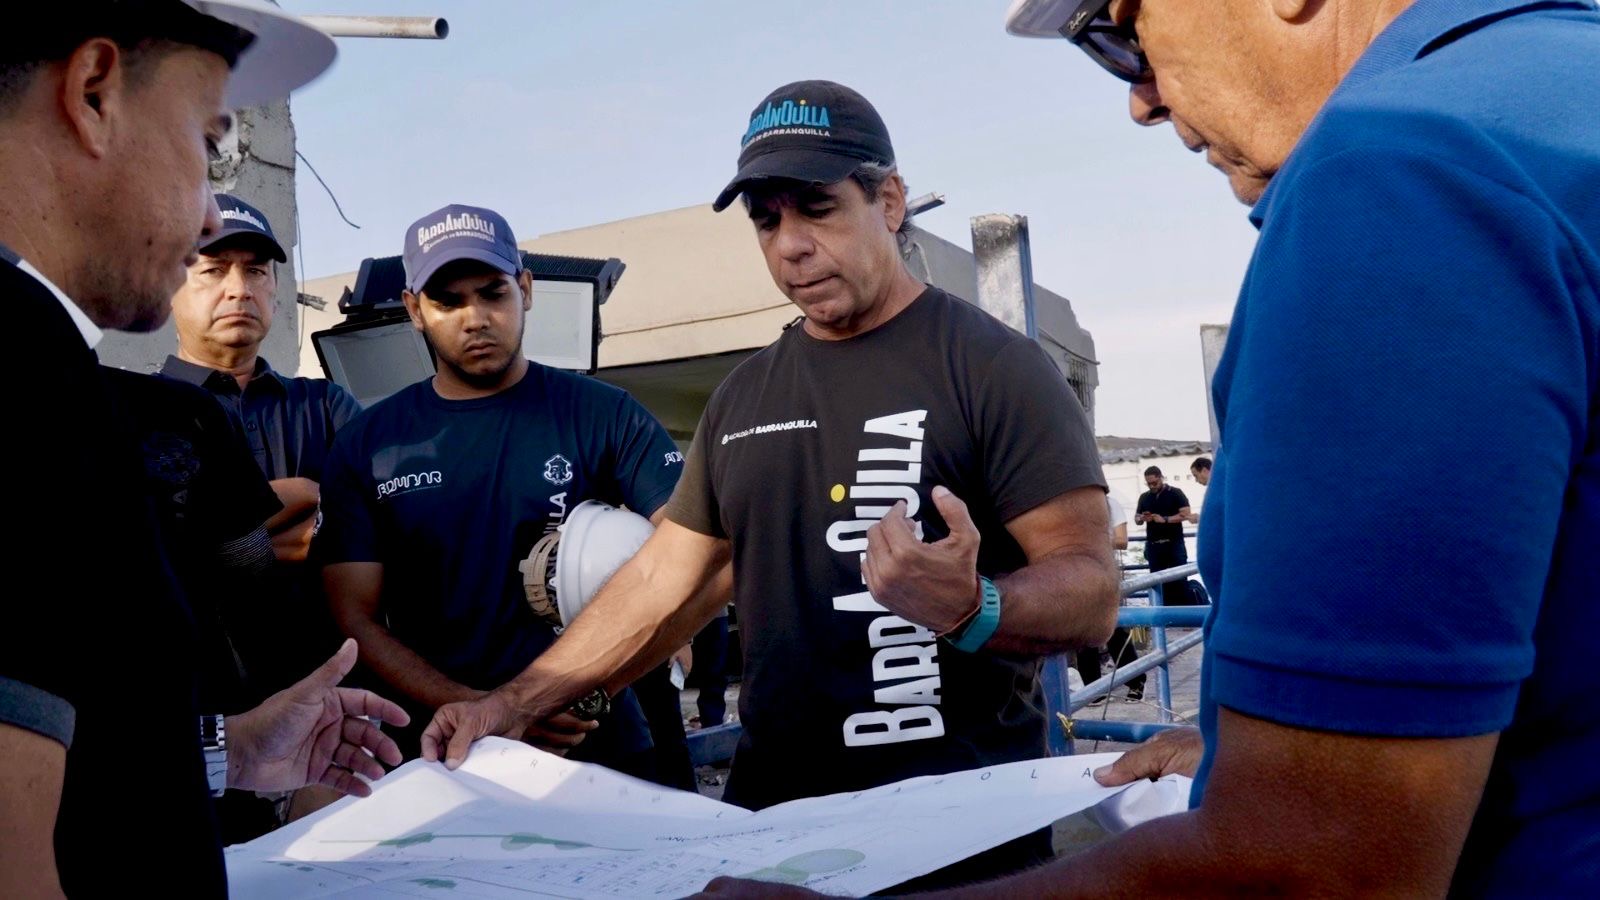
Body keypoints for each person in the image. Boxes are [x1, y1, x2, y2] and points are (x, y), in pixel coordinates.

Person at [693, 1, 1600, 895]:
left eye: (1123, 35)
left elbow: (1318, 866)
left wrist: (1286, 792)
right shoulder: (1552, 83)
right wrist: (1259, 750)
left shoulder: (1397, 175)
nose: (1142, 98)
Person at [424, 81, 1118, 888]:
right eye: (766, 220)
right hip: (775, 838)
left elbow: (1093, 592)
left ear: (890, 201)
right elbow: (661, 580)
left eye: (817, 209)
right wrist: (512, 703)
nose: (790, 245)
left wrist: (974, 606)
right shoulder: (743, 399)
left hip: (959, 845)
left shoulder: (995, 367)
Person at [0, 4, 407, 896]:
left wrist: (235, 749)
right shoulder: (19, 366)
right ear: (94, 94)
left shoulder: (49, 367)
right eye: (209, 142)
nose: (209, 209)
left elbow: (73, 745)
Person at [318, 203, 696, 786]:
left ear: (526, 289)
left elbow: (689, 552)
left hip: (594, 738)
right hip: (444, 752)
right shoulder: (369, 443)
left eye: (493, 293)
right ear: (415, 310)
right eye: (449, 301)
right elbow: (355, 617)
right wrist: (482, 710)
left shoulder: (604, 413)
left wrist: (576, 691)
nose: (476, 319)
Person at [162, 192, 361, 690]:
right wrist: (299, 497)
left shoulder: (326, 406)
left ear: (274, 288)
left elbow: (378, 524)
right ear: (171, 284)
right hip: (201, 700)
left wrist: (224, 536)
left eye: (255, 271)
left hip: (330, 689)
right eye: (214, 270)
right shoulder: (141, 412)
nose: (239, 290)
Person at [1077, 493, 1142, 701]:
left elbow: (1122, 540)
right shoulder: (1071, 506)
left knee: (1114, 630)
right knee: (1082, 632)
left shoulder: (1110, 505)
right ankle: (1093, 689)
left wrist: (1090, 542)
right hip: (1078, 575)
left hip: (1104, 574)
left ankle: (1136, 681)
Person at [1133, 465, 1190, 607]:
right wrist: (1141, 518)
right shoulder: (1144, 497)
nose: (1152, 486)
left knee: (1179, 582)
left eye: (1154, 483)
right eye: (1149, 484)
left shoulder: (1175, 493)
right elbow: (1136, 518)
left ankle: (1183, 614)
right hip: (1154, 546)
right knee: (1157, 584)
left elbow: (1186, 514)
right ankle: (1163, 614)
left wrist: (1165, 519)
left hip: (1174, 543)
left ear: (1161, 478)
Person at [1186, 456, 1211, 524]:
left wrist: (1200, 519)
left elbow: (1220, 516)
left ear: (1204, 471)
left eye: (1195, 476)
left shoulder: (1221, 489)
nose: (1196, 480)